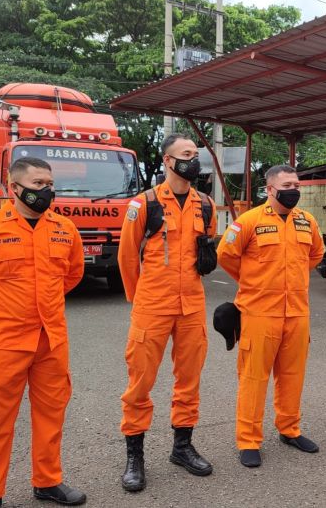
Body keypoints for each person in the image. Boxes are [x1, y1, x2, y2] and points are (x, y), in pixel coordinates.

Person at [0, 157, 86, 508]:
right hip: (6, 342)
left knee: (51, 415)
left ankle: (47, 482)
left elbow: (72, 275)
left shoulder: (64, 229)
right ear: (14, 188)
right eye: (38, 184)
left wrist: (42, 307)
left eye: (49, 183)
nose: (47, 190)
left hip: (51, 341)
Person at [117, 133, 217, 492]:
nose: (193, 160)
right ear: (167, 161)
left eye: (195, 154)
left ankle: (182, 447)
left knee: (188, 381)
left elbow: (207, 245)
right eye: (185, 154)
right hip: (152, 307)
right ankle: (135, 456)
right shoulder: (143, 204)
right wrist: (139, 299)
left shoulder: (205, 204)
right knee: (140, 384)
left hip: (191, 306)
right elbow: (127, 257)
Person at [216, 164, 325, 468]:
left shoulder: (307, 221)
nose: (294, 190)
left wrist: (293, 277)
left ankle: (289, 430)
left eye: (297, 185)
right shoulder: (249, 221)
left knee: (292, 376)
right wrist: (253, 282)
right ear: (270, 190)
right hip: (259, 312)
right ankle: (249, 440)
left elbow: (315, 254)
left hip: (297, 312)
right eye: (288, 185)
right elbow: (226, 255)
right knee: (254, 379)